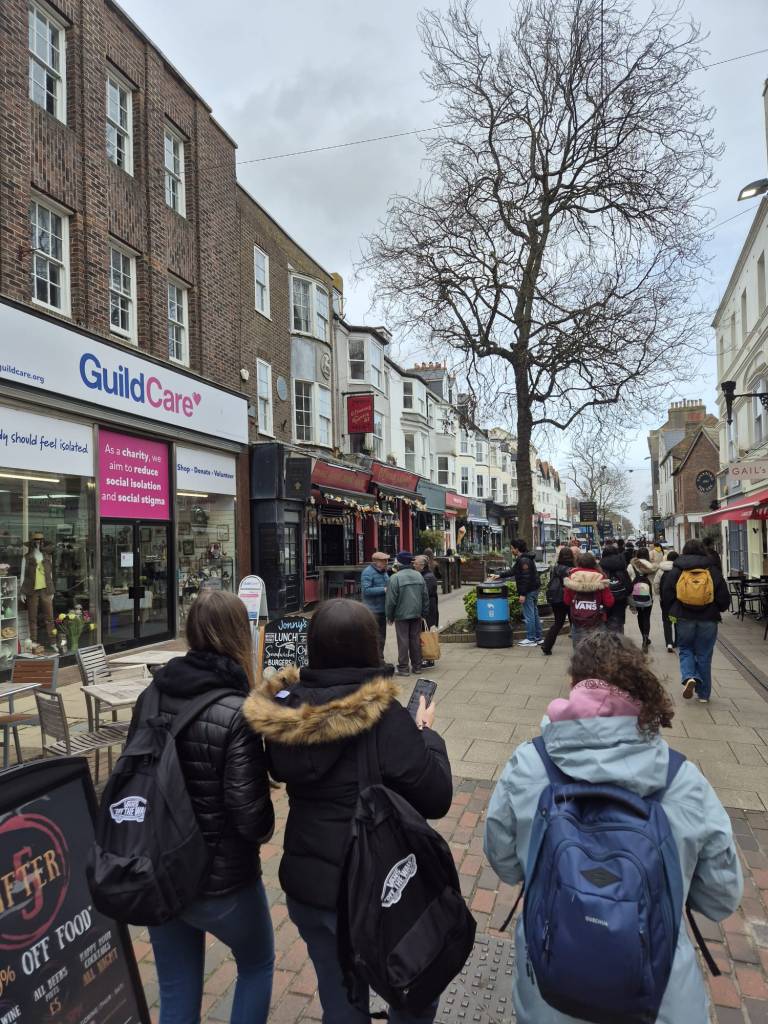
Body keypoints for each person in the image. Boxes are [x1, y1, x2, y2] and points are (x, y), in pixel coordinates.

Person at [484, 631, 743, 1024]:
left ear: (574, 685)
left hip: (548, 995)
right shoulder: (683, 781)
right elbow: (720, 898)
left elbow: (504, 863)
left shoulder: (528, 765)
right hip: (659, 1002)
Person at [243, 599, 453, 1024]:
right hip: (377, 890)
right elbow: (436, 796)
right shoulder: (386, 716)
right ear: (370, 647)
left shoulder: (285, 712)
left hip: (310, 887)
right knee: (414, 991)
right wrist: (425, 734)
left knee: (339, 1000)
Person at [140, 590, 275, 1024]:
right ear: (239, 635)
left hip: (160, 870)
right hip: (223, 882)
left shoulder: (152, 694)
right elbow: (251, 819)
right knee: (257, 964)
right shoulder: (238, 711)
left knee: (176, 990)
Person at [661, 539, 730, 703]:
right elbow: (723, 597)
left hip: (684, 617)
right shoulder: (712, 569)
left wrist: (673, 610)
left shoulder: (678, 569)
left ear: (685, 551)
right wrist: (718, 608)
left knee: (685, 649)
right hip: (708, 618)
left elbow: (667, 593)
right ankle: (704, 695)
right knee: (704, 654)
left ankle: (689, 676)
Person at [385, 550, 429, 676]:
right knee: (415, 639)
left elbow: (391, 600)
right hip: (416, 613)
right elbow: (425, 596)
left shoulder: (395, 578)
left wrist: (390, 616)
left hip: (401, 614)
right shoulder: (419, 576)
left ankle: (404, 667)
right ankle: (417, 666)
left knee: (403, 640)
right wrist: (424, 612)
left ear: (399, 562)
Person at [563, 551, 615, 648]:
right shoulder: (601, 577)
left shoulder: (571, 578)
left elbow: (567, 601)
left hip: (578, 620)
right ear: (593, 563)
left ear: (578, 563)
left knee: (579, 652)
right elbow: (609, 602)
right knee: (598, 651)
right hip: (597, 620)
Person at [505, 539, 543, 647]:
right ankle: (538, 638)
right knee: (534, 614)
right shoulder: (525, 558)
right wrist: (499, 575)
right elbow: (513, 571)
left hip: (529, 591)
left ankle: (531, 638)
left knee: (529, 615)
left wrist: (522, 594)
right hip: (533, 589)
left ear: (517, 549)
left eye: (512, 548)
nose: (511, 550)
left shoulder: (523, 560)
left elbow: (526, 578)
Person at [541, 546, 575, 655]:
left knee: (558, 623)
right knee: (575, 623)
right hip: (569, 598)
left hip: (556, 598)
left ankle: (547, 645)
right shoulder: (572, 569)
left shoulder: (555, 568)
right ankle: (579, 648)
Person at [628, 546, 659, 651]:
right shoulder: (651, 566)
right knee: (646, 616)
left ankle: (643, 636)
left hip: (635, 594)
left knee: (640, 616)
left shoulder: (631, 566)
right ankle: (646, 638)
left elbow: (628, 578)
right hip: (648, 594)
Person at [361, 552, 390, 658]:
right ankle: (372, 659)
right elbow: (366, 591)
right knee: (373, 637)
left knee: (382, 636)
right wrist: (384, 589)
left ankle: (380, 658)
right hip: (372, 611)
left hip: (382, 610)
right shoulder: (367, 572)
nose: (386, 563)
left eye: (386, 560)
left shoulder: (383, 572)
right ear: (376, 561)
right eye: (384, 561)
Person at [600, 543, 631, 635]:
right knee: (618, 625)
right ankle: (619, 640)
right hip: (620, 600)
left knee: (604, 624)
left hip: (605, 601)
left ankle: (607, 641)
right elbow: (629, 586)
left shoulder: (600, 567)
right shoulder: (622, 566)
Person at [654, 549, 679, 652]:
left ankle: (669, 643)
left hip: (665, 599)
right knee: (677, 619)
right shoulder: (679, 569)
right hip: (677, 600)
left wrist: (659, 594)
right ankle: (677, 641)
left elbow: (656, 584)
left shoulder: (661, 570)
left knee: (666, 620)